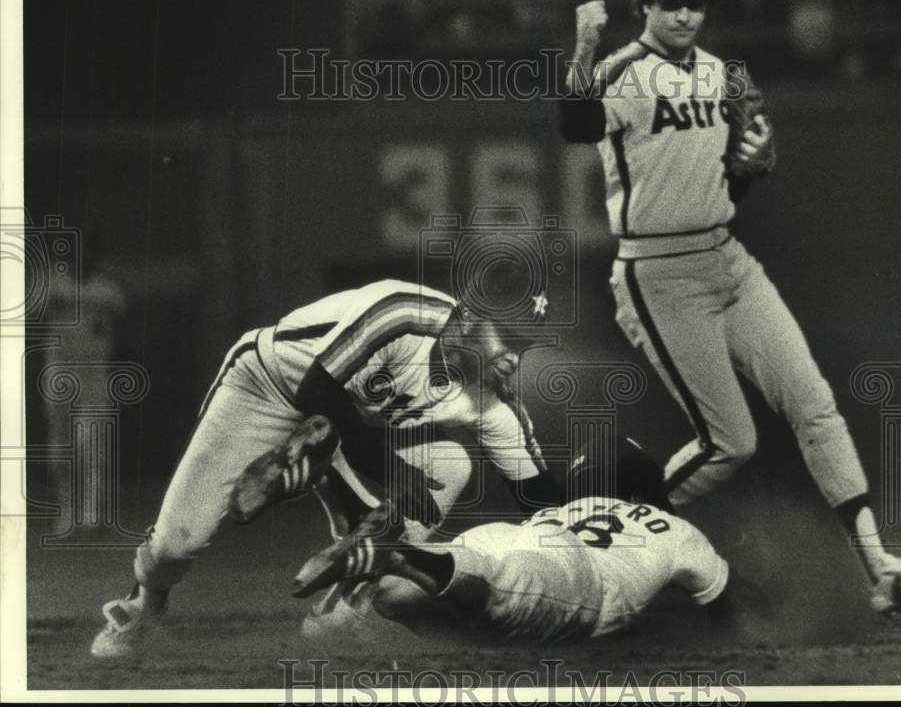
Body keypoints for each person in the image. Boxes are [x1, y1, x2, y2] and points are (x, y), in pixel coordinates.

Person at [557, 0, 901, 615]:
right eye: (670, 0)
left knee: (814, 400)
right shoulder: (623, 71)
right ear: (643, 5)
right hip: (659, 272)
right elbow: (574, 124)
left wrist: (753, 165)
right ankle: (603, 547)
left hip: (728, 257)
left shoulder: (724, 75)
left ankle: (881, 567)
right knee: (731, 443)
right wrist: (583, 50)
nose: (684, 12)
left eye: (696, 1)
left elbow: (733, 178)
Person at [90, 278, 559, 658]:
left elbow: (540, 500)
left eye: (523, 346)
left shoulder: (493, 405)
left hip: (348, 422)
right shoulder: (404, 312)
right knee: (176, 545)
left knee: (450, 465)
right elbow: (319, 387)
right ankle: (144, 603)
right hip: (268, 384)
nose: (513, 359)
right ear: (467, 322)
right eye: (508, 339)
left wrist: (602, 521)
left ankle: (346, 598)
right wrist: (390, 472)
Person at [291, 435, 743, 643]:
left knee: (394, 599)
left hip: (509, 537)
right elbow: (725, 606)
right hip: (577, 578)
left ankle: (339, 475)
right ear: (641, 491)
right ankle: (398, 553)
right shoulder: (677, 530)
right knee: (499, 594)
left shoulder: (567, 507)